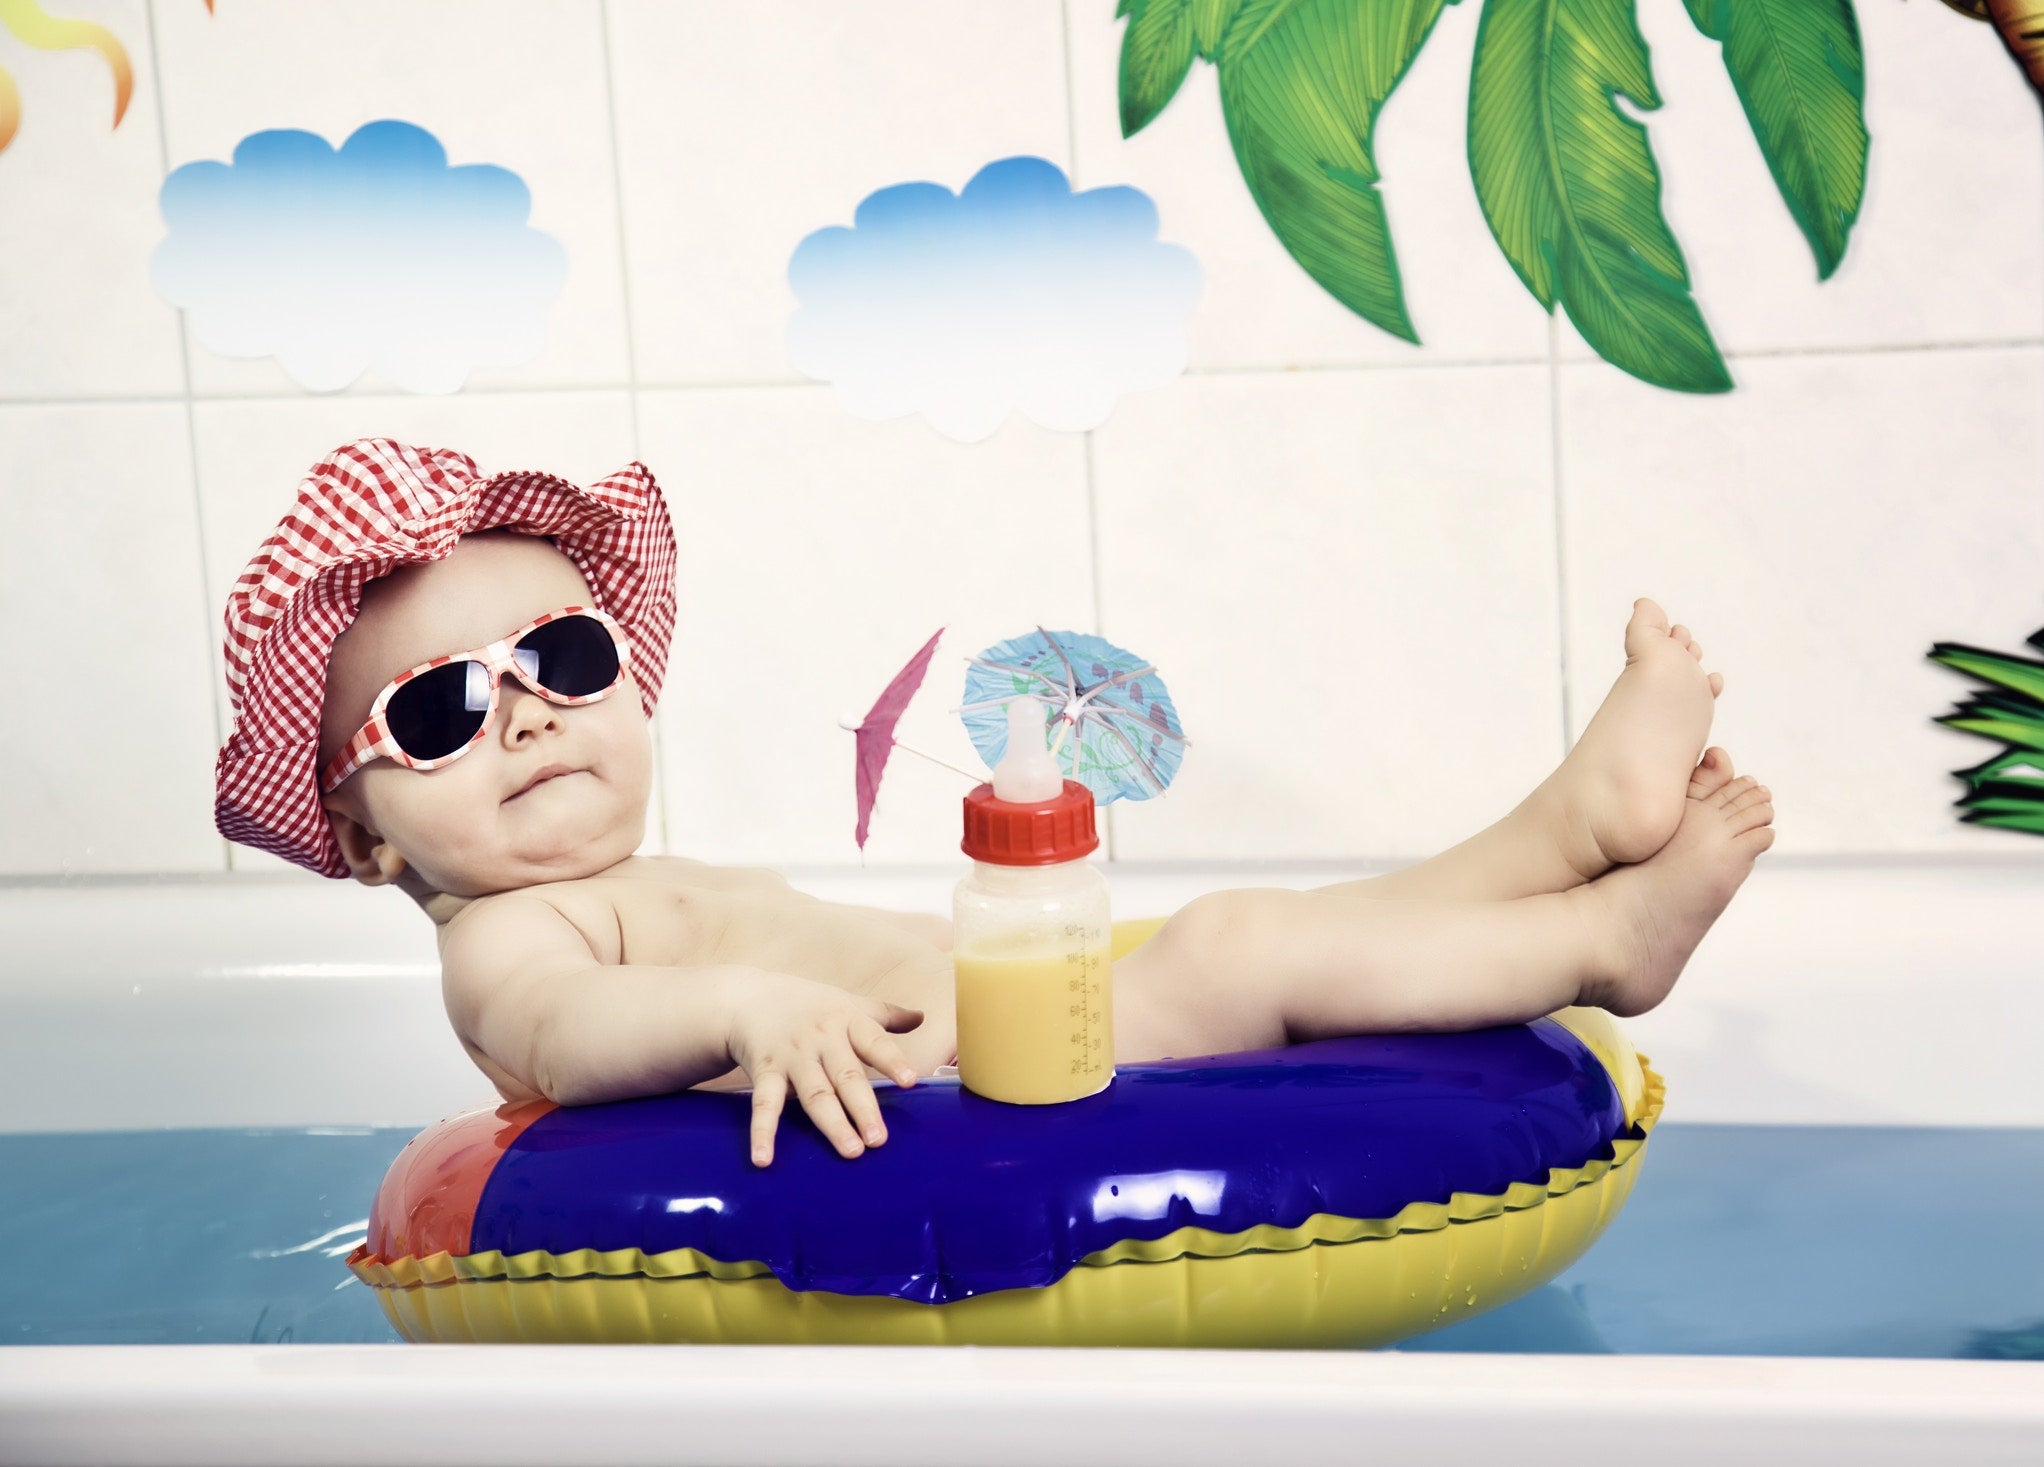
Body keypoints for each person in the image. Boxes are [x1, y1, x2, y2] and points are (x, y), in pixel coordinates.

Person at [217, 440, 1774, 1167]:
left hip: (1018, 1010)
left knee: (1288, 929)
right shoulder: (507, 938)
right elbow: (556, 1032)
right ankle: (1604, 937)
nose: (530, 708)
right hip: (979, 1080)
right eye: (439, 709)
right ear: (362, 834)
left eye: (562, 653)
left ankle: (1567, 826)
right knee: (1241, 948)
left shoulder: (638, 877)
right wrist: (742, 1011)